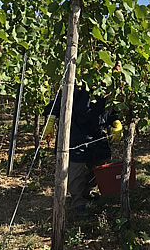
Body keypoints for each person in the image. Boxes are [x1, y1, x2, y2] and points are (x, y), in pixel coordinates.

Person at [44, 86, 116, 218]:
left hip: (96, 133)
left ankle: (85, 191)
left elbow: (112, 106)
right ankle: (78, 202)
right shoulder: (79, 83)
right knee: (76, 169)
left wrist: (115, 120)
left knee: (102, 163)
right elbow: (61, 100)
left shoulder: (108, 82)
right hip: (76, 133)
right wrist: (51, 117)